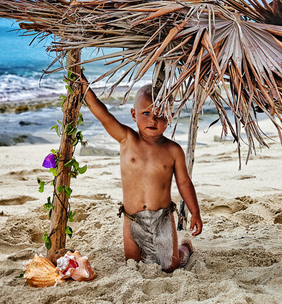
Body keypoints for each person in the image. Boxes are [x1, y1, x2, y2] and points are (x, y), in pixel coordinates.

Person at [81, 76, 203, 272]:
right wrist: (86, 91)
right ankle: (154, 251)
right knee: (133, 264)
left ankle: (185, 248)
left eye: (160, 114)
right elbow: (104, 115)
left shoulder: (173, 150)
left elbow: (184, 183)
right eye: (145, 113)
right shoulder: (127, 139)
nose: (153, 119)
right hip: (133, 220)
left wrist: (195, 212)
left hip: (162, 218)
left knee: (170, 266)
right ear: (133, 114)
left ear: (170, 117)